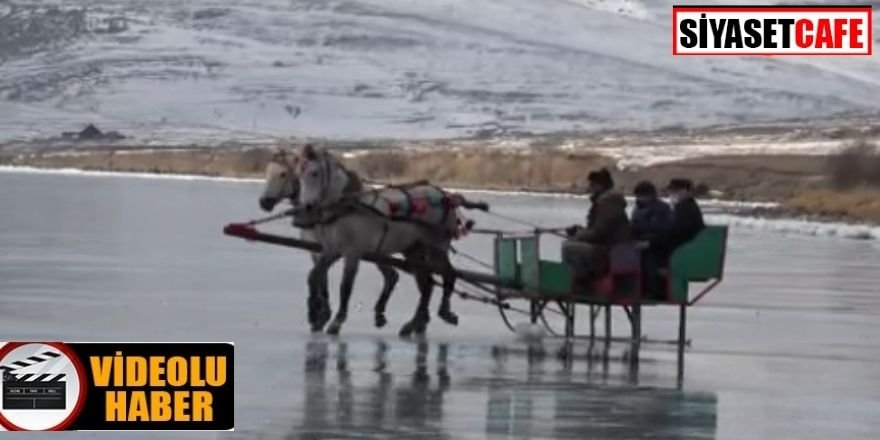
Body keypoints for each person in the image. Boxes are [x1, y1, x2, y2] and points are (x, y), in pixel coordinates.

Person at [637, 178, 706, 298]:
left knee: (649, 254)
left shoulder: (685, 209)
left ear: (685, 191)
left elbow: (675, 234)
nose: (672, 195)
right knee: (650, 249)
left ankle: (654, 291)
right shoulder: (685, 207)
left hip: (683, 249)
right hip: (686, 246)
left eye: (675, 191)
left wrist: (651, 243)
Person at [562, 168, 630, 288]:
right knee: (572, 243)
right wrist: (580, 230)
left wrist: (579, 234)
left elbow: (599, 233)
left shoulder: (608, 203)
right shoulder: (606, 202)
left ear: (600, 186)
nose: (590, 188)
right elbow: (597, 229)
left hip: (608, 251)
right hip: (607, 247)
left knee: (567, 247)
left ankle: (584, 282)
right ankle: (583, 279)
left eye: (593, 185)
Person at [630, 180, 673, 299]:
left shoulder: (662, 209)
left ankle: (653, 291)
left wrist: (648, 242)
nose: (640, 199)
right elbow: (634, 225)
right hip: (641, 241)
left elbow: (664, 232)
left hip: (659, 246)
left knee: (651, 259)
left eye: (643, 196)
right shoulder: (637, 209)